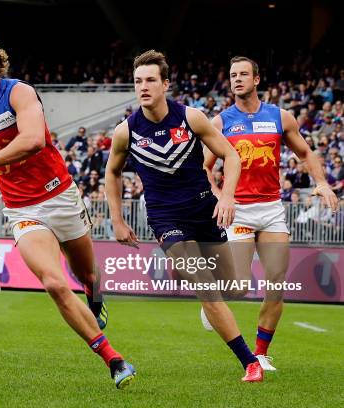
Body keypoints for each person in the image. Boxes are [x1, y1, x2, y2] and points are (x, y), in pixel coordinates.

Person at [0, 29, 135, 389]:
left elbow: (34, 140)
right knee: (53, 283)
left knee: (89, 276)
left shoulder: (18, 92)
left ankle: (94, 299)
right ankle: (113, 359)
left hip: (61, 196)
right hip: (22, 210)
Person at [105, 50, 264, 382]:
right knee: (205, 288)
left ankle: (211, 308)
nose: (143, 87)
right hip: (166, 220)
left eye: (150, 80)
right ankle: (250, 362)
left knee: (233, 287)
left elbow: (231, 156)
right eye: (138, 81)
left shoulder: (191, 118)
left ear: (165, 83)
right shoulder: (126, 131)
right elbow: (113, 173)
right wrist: (118, 220)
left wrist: (228, 196)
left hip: (205, 211)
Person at [203, 56, 339, 370]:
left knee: (276, 283)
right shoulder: (221, 123)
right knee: (237, 287)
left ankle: (260, 354)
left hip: (271, 210)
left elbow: (305, 152)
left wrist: (320, 182)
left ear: (257, 79)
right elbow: (204, 167)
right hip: (239, 211)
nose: (237, 79)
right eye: (233, 75)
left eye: (243, 74)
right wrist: (222, 197)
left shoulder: (280, 117)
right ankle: (211, 299)